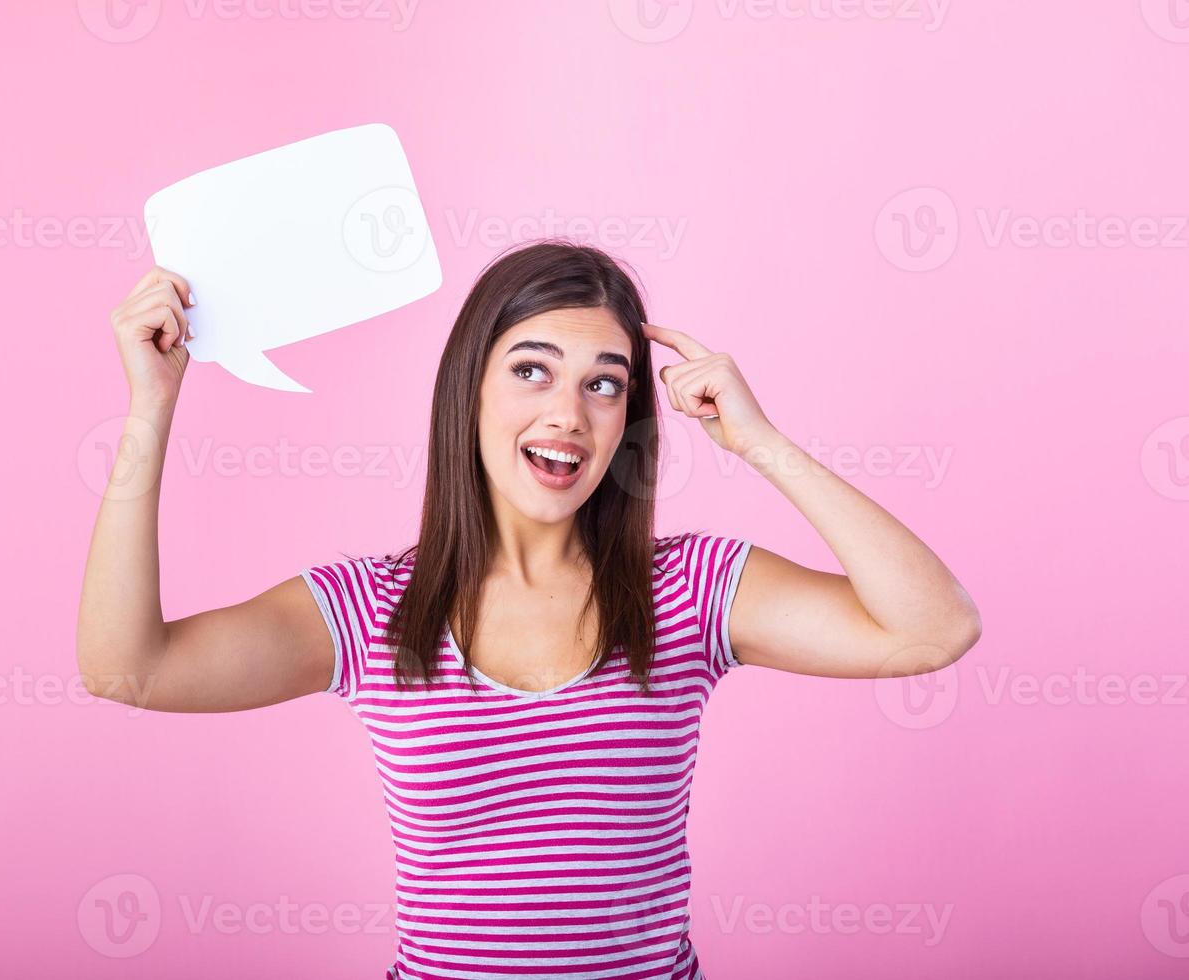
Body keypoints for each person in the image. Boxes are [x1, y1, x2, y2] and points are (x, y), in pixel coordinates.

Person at [76, 241, 981, 979]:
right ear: (468, 390)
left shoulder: (691, 591)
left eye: (603, 383)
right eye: (532, 371)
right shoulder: (369, 611)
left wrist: (760, 442)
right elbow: (127, 670)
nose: (569, 415)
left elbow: (933, 627)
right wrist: (149, 409)